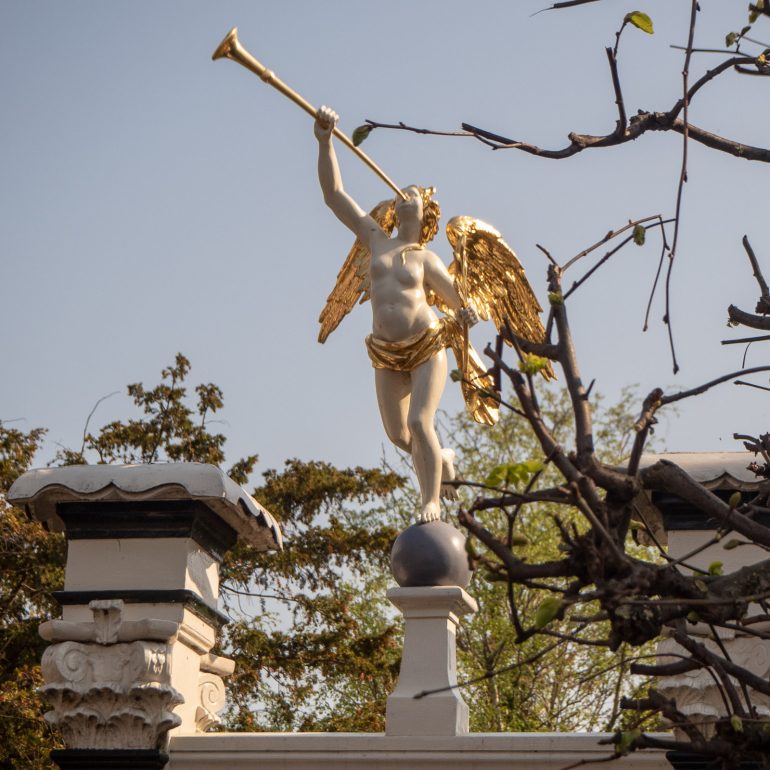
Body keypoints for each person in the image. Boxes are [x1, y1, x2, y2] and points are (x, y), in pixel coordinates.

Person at [315, 106, 479, 523]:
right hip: (384, 350)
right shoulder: (375, 239)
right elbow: (335, 197)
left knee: (420, 423)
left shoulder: (426, 258)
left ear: (424, 213)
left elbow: (456, 299)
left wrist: (467, 310)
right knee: (399, 434)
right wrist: (325, 140)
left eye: (417, 196)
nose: (409, 196)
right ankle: (441, 458)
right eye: (404, 194)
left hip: (426, 344)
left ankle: (431, 501)